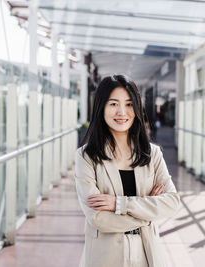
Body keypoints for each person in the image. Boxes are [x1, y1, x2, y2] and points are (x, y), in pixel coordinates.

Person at [75, 74, 180, 267]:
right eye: (113, 104)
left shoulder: (152, 153)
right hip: (105, 257)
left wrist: (119, 204)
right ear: (102, 107)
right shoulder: (86, 156)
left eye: (129, 104)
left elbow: (172, 202)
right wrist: (149, 213)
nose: (122, 112)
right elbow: (98, 218)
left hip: (147, 255)